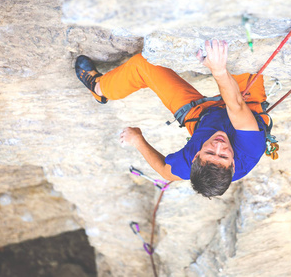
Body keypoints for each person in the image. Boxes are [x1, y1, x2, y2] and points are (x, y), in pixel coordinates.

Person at [75, 40, 270, 197]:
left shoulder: (189, 165)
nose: (218, 146)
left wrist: (137, 141)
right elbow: (235, 105)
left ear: (195, 157)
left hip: (203, 117)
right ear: (233, 164)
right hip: (246, 104)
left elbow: (164, 170)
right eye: (224, 156)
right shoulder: (249, 151)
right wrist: (218, 70)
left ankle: (99, 88)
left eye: (210, 152)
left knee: (143, 66)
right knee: (241, 55)